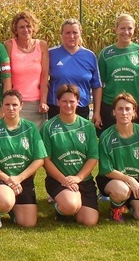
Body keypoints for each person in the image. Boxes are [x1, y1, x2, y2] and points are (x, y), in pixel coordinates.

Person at [0, 89, 47, 228]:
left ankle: (10, 208)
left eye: (15, 105)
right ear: (2, 106)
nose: (11, 108)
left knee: (28, 223)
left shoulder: (30, 128)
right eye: (7, 105)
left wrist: (19, 178)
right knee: (5, 200)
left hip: (21, 180)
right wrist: (8, 180)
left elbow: (40, 159)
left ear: (21, 105)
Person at [41, 84, 99, 226]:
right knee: (70, 205)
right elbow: (46, 160)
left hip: (82, 180)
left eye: (72, 101)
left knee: (89, 221)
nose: (68, 105)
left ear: (78, 102)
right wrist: (65, 180)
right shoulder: (48, 127)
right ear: (58, 102)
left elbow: (93, 157)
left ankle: (74, 203)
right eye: (64, 101)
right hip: (59, 180)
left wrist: (78, 178)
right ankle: (62, 209)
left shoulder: (87, 126)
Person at [97, 93, 139, 223]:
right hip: (114, 181)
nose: (124, 113)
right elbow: (107, 170)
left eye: (128, 109)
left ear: (134, 112)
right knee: (121, 190)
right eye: (120, 109)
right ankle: (115, 209)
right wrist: (130, 180)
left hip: (137, 184)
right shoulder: (106, 137)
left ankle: (129, 205)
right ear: (114, 112)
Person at [98, 14, 139, 133]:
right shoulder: (105, 53)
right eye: (122, 28)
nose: (126, 32)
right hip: (109, 106)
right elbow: (99, 84)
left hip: (134, 106)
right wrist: (97, 112)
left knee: (133, 143)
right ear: (116, 29)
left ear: (134, 29)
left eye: (130, 28)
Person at [47, 18, 102, 128]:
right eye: (67, 33)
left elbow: (97, 86)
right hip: (56, 109)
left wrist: (96, 112)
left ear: (80, 34)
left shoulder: (89, 56)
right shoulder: (51, 54)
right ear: (61, 34)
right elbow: (42, 79)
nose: (71, 36)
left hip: (81, 109)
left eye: (75, 32)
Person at [4, 11, 49, 129]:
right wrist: (8, 103)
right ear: (16, 29)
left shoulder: (42, 45)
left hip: (36, 104)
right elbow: (6, 77)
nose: (26, 30)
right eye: (21, 27)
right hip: (16, 103)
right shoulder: (9, 45)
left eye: (28, 26)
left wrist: (43, 101)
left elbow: (44, 77)